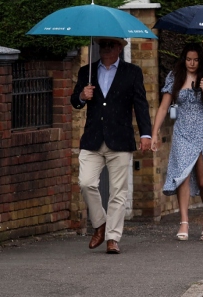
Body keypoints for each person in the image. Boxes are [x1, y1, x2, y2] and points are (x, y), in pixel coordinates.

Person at [70, 38, 152, 254]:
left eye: (110, 45)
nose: (105, 48)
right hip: (93, 138)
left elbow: (141, 104)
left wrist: (146, 134)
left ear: (119, 48)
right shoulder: (86, 71)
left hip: (120, 139)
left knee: (118, 192)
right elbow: (75, 102)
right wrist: (81, 95)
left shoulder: (132, 72)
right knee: (86, 182)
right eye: (102, 45)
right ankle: (101, 224)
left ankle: (113, 238)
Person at [151, 43, 203, 241]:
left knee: (202, 181)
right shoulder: (174, 77)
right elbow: (164, 107)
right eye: (188, 59)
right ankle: (184, 222)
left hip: (202, 132)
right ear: (184, 59)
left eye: (196, 59)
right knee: (182, 174)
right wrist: (154, 132)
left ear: (201, 60)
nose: (192, 63)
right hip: (182, 131)